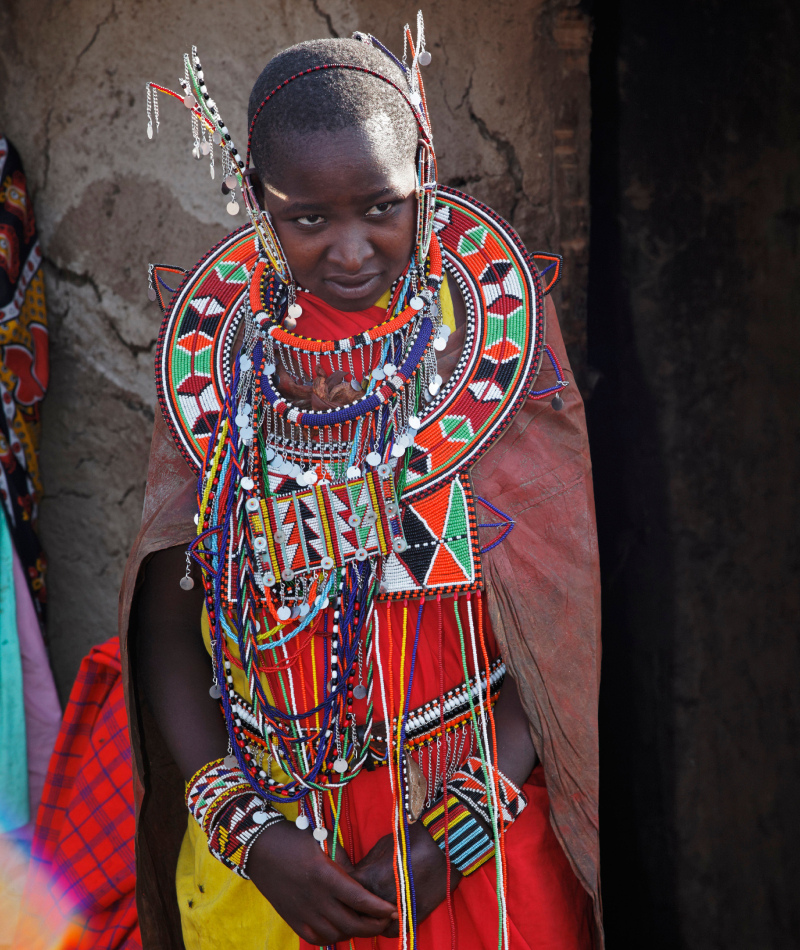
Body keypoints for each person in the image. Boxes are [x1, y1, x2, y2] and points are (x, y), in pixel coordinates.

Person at [121, 19, 602, 950]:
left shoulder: (495, 346)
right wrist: (250, 837)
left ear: (426, 170)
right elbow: (170, 626)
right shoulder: (219, 369)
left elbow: (561, 625)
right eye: (309, 218)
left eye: (384, 206)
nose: (352, 251)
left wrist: (446, 841)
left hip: (481, 846)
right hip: (273, 854)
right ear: (257, 201)